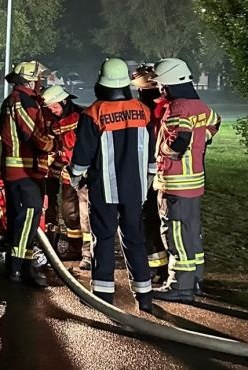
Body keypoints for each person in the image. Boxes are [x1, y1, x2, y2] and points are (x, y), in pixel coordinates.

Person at [69, 58, 153, 311]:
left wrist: (75, 178)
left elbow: (82, 156)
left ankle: (103, 297)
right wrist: (146, 182)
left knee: (103, 240)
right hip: (135, 190)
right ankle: (145, 297)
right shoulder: (142, 110)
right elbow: (149, 154)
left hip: (104, 189)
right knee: (135, 240)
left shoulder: (94, 113)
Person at [150, 58, 221, 303]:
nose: (159, 89)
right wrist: (203, 141)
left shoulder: (177, 108)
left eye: (160, 84)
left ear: (167, 84)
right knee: (191, 233)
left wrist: (164, 152)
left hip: (176, 182)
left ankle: (180, 285)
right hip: (194, 182)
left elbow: (179, 141)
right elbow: (216, 121)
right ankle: (195, 280)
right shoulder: (198, 105)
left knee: (175, 234)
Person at [0, 61, 52, 287]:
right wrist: (51, 144)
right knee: (29, 215)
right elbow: (31, 134)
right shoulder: (24, 101)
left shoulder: (16, 100)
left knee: (18, 218)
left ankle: (21, 265)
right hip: (24, 171)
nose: (41, 82)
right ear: (30, 80)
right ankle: (18, 269)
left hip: (17, 170)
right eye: (38, 79)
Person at [39, 84, 90, 269]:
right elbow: (62, 149)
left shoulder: (80, 117)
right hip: (69, 173)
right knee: (69, 213)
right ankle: (75, 248)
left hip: (85, 175)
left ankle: (88, 254)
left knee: (86, 216)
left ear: (64, 100)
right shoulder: (56, 121)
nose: (52, 110)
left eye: (54, 106)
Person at [131, 64, 170, 285]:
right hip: (159, 171)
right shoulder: (163, 106)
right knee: (154, 220)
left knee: (151, 219)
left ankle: (159, 268)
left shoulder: (151, 110)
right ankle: (160, 267)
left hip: (152, 171)